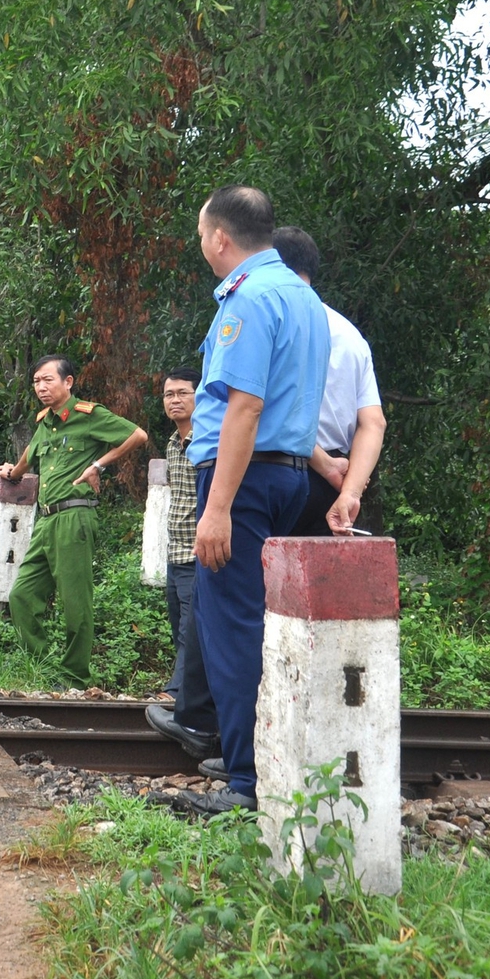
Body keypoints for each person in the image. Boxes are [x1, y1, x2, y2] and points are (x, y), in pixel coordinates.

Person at [179, 186, 331, 815]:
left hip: (242, 481)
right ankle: (261, 754)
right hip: (288, 474)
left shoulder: (250, 298)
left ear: (221, 237)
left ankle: (246, 784)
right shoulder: (307, 299)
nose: (204, 249)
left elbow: (244, 406)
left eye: (202, 238)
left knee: (233, 626)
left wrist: (217, 506)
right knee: (260, 623)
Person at [0, 357, 148, 687]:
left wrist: (99, 465)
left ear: (68, 382)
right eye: (36, 381)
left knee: (75, 602)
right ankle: (47, 670)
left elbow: (137, 435)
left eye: (47, 380)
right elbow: (30, 455)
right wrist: (14, 472)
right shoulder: (44, 423)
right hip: (46, 521)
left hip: (75, 516)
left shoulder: (88, 416)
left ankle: (76, 676)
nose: (40, 387)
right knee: (21, 596)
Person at [271, 227, 387, 537]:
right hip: (333, 487)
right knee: (320, 583)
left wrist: (321, 462)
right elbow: (374, 423)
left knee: (259, 583)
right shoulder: (350, 334)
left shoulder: (270, 318)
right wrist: (350, 493)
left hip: (275, 471)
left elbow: (264, 406)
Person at [144, 367, 220, 764]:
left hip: (199, 552)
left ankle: (177, 698)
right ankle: (189, 696)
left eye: (182, 393)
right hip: (175, 553)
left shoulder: (208, 438)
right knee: (180, 627)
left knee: (194, 629)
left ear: (200, 397)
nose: (174, 400)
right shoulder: (174, 443)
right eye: (168, 394)